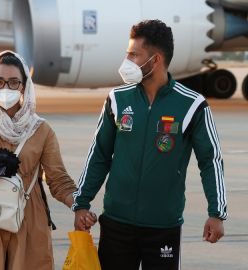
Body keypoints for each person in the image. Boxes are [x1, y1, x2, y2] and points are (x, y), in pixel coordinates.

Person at [72, 20, 227, 270]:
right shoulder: (117, 99)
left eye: (134, 54)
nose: (127, 61)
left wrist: (216, 212)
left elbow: (211, 161)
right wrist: (82, 203)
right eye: (127, 53)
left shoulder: (193, 105)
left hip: (163, 227)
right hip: (116, 224)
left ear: (154, 60)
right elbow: (99, 155)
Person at [0, 51, 76, 269]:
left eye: (13, 82)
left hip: (29, 218)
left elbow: (58, 180)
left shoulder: (40, 130)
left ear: (24, 86)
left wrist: (79, 206)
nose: (6, 88)